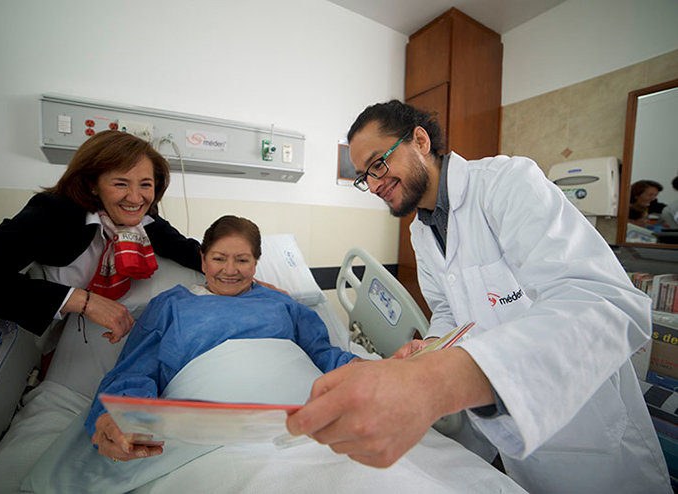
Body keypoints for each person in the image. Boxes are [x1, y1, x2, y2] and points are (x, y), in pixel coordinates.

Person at [286, 100, 671, 493]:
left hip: (587, 424)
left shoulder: (506, 182)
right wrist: (432, 346)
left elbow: (604, 302)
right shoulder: (421, 230)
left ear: (419, 140)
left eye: (378, 164)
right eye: (365, 176)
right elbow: (448, 309)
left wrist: (438, 381)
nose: (375, 182)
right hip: (516, 436)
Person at [85, 215, 358, 461]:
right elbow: (135, 371)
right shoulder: (171, 305)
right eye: (218, 259)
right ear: (203, 259)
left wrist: (364, 371)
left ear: (255, 264)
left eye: (242, 260)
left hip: (306, 421)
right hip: (210, 438)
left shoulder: (282, 303)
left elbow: (324, 355)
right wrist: (127, 419)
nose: (230, 270)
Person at [0, 130, 201, 343]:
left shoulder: (143, 222)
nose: (135, 197)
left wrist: (239, 271)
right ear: (92, 184)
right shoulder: (54, 214)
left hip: (54, 342)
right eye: (120, 183)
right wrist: (79, 300)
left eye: (145, 184)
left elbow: (189, 252)